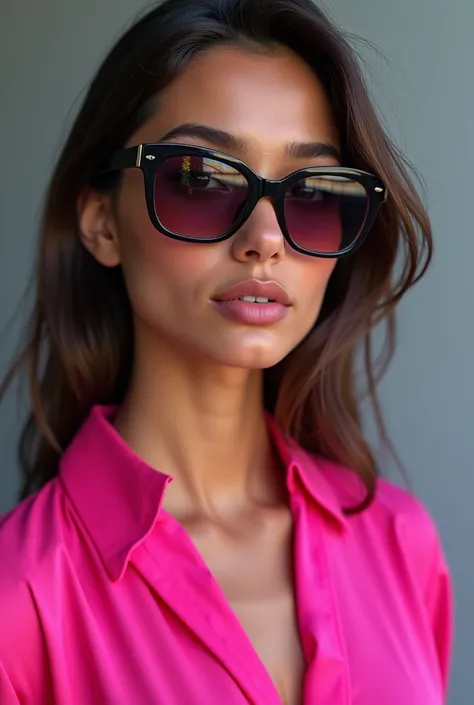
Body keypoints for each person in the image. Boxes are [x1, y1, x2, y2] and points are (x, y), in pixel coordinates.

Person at [0, 0, 453, 703]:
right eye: (201, 180)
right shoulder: (19, 598)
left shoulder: (401, 543)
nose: (266, 236)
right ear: (101, 222)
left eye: (312, 192)